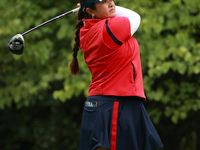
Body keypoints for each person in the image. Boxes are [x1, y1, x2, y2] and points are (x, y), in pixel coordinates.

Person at [70, 0, 164, 149]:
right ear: (90, 11)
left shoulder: (87, 30)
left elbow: (118, 14)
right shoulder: (110, 28)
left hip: (111, 103)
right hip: (113, 104)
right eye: (103, 2)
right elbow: (135, 17)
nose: (111, 3)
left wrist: (87, 10)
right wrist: (86, 9)